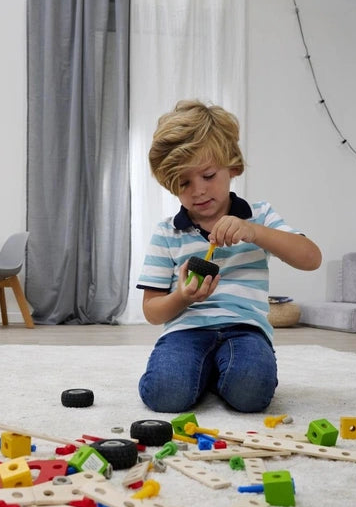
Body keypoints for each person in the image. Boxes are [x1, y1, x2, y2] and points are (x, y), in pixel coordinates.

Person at [136, 99, 322, 413]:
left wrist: (254, 232)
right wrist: (182, 297)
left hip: (245, 329)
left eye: (208, 175)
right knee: (164, 394)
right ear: (171, 186)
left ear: (232, 166)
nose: (198, 191)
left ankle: (213, 374)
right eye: (184, 183)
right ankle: (202, 371)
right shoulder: (167, 232)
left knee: (251, 393)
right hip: (186, 330)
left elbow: (311, 258)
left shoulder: (258, 216)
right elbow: (153, 312)